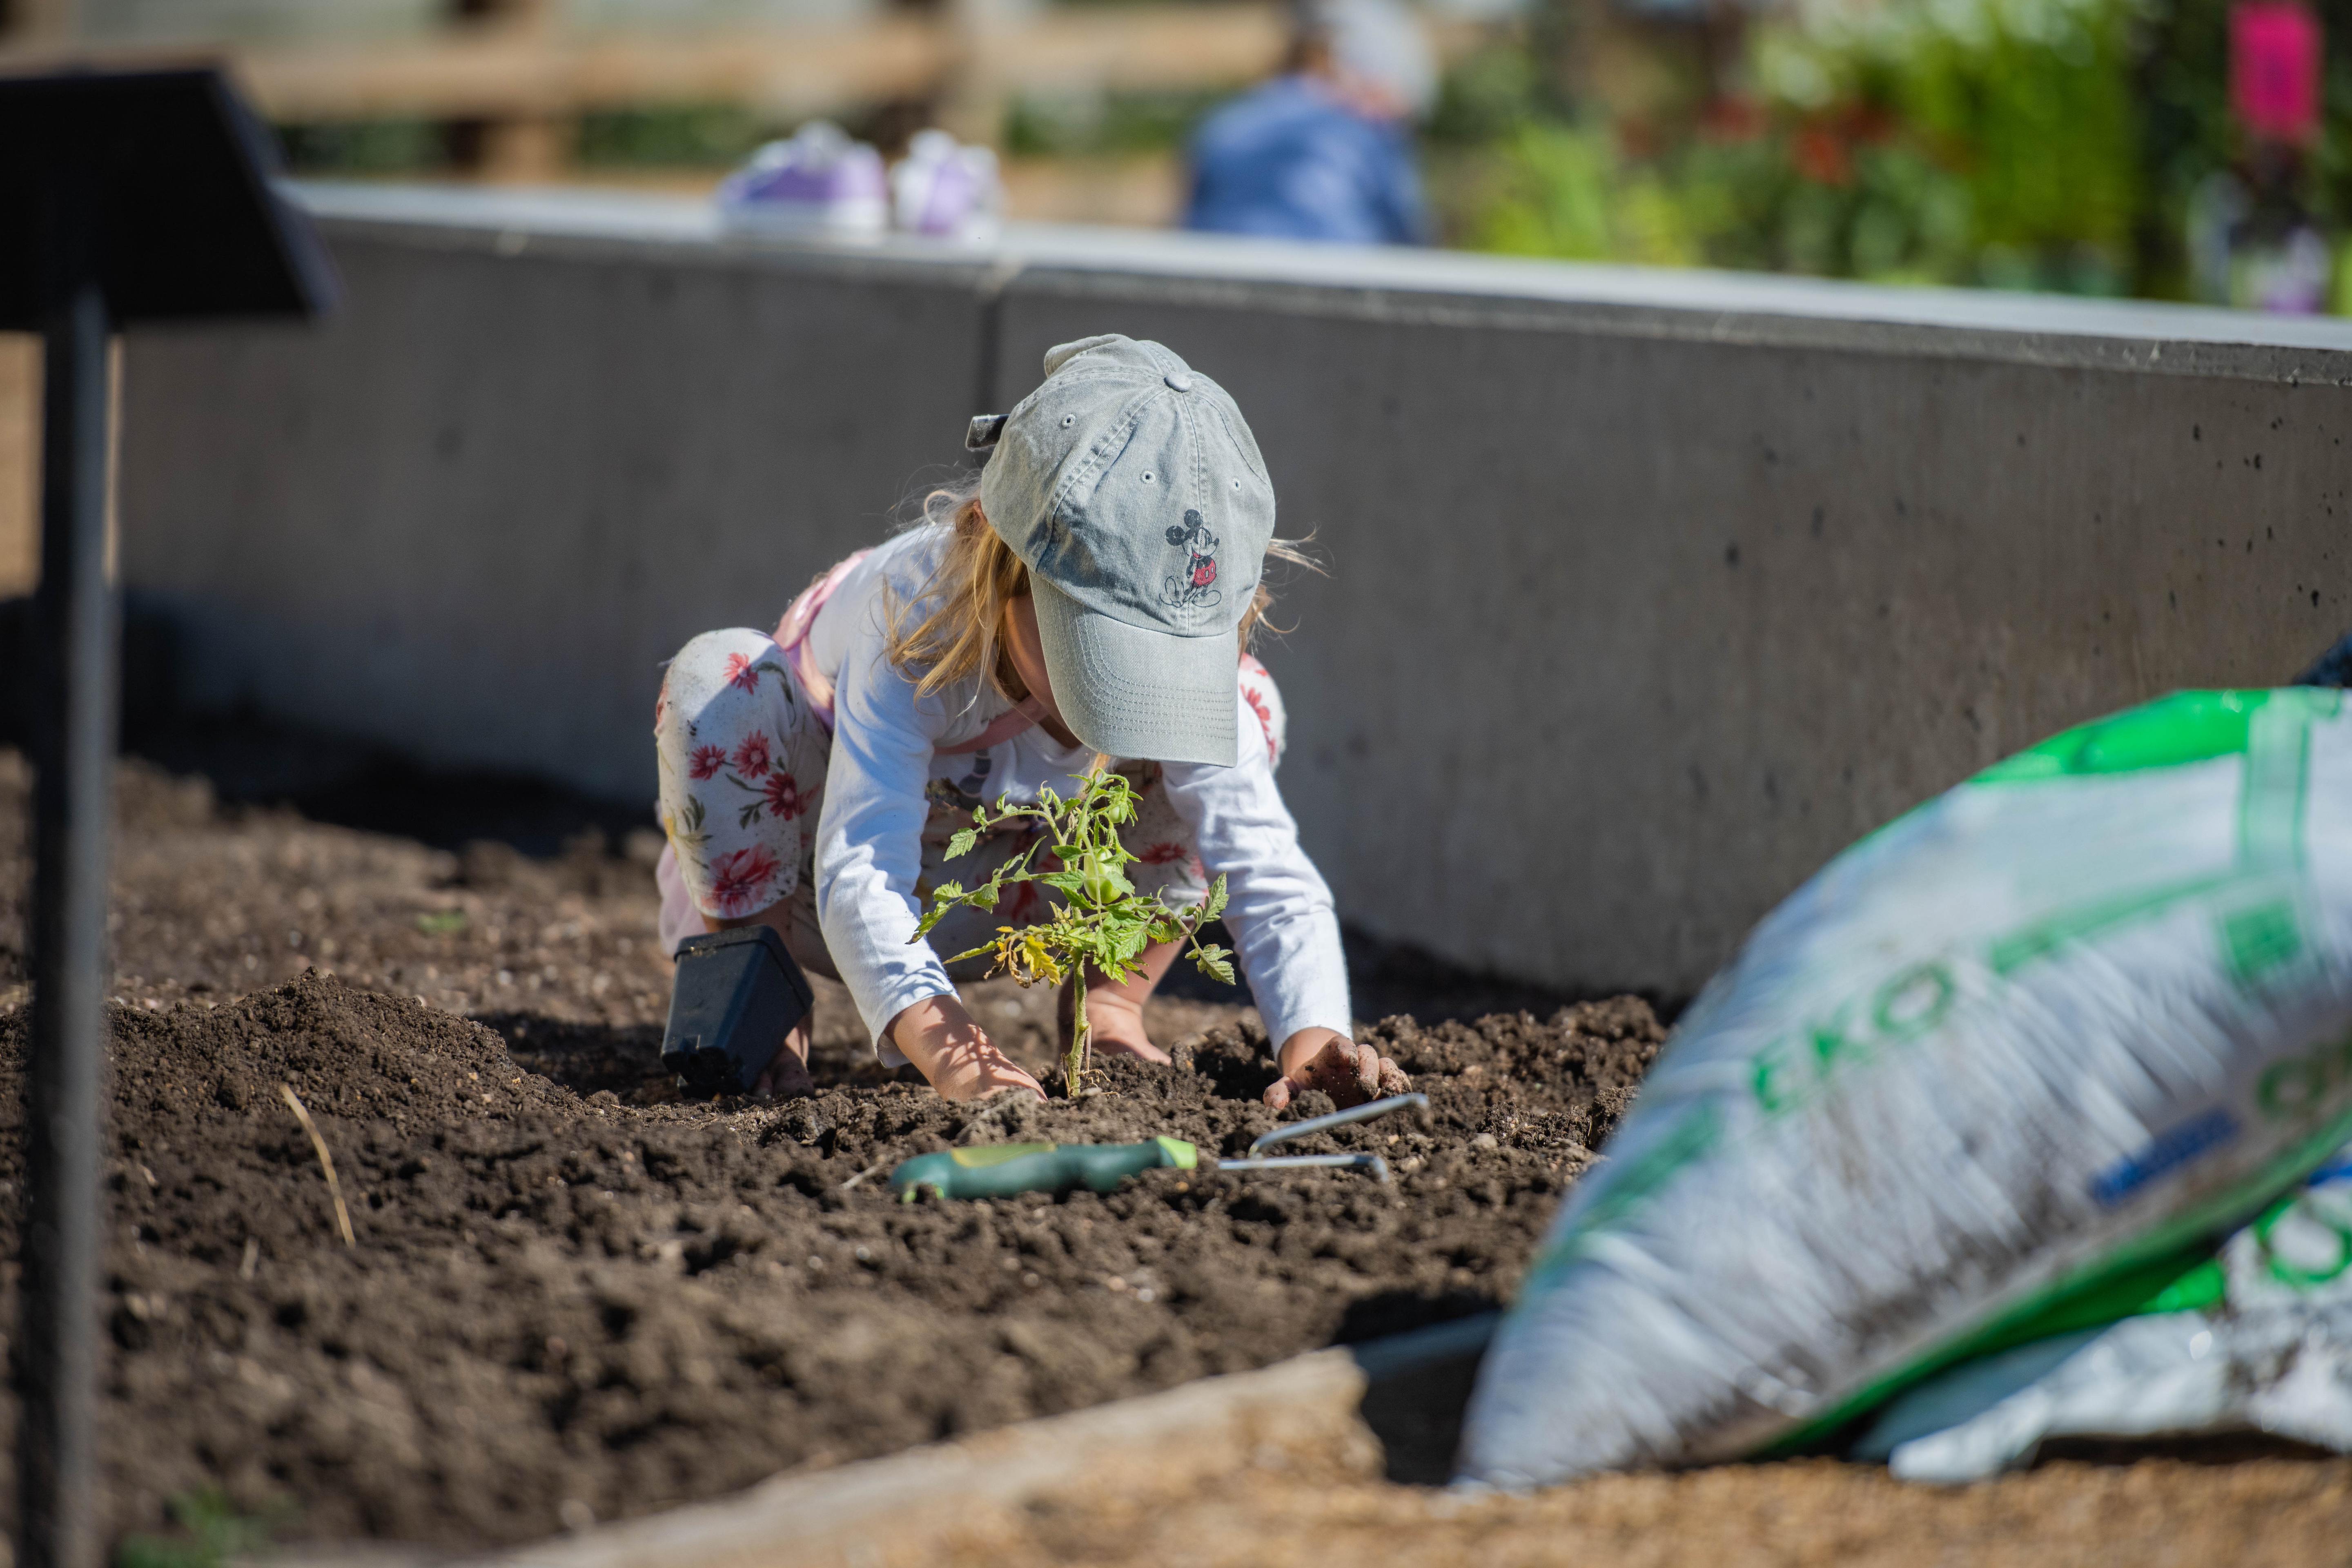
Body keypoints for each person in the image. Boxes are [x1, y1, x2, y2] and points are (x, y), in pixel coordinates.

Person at [651, 334, 1410, 1109]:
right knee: (722, 682)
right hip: (815, 887)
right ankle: (763, 1005)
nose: (1126, 699)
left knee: (1246, 710)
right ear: (993, 549)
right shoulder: (915, 620)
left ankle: (1108, 1009)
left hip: (1026, 901)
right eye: (1101, 651)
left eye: (1164, 660)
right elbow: (862, 869)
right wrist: (958, 1059)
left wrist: (1317, 1044)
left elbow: (1266, 866)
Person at [1183, 0, 1435, 246]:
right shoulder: (1364, 133)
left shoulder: (1224, 125)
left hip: (1229, 275)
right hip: (1340, 276)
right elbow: (1408, 232)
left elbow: (1191, 224)